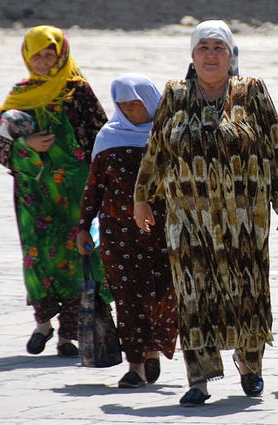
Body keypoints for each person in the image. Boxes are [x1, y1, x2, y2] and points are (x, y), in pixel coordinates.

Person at [132, 20, 278, 406]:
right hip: (187, 217)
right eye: (203, 48)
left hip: (245, 216)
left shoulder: (252, 91)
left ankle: (250, 363)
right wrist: (141, 197)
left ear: (231, 55)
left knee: (247, 291)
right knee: (193, 294)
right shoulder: (174, 94)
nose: (211, 55)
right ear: (192, 57)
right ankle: (199, 379)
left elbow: (276, 145)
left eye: (219, 48)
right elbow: (157, 148)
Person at [0, 25, 107, 357]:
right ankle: (42, 323)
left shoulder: (77, 91)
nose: (42, 61)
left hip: (75, 192)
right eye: (35, 55)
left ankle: (69, 335)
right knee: (38, 257)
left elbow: (101, 133)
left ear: (61, 53)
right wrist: (26, 143)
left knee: (77, 254)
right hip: (35, 194)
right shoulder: (20, 94)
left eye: (49, 54)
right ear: (26, 57)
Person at [76, 74, 178, 388]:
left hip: (161, 232)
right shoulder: (108, 136)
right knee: (127, 297)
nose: (131, 111)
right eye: (124, 105)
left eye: (136, 104)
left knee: (162, 294)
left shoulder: (170, 135)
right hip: (117, 234)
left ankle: (152, 351)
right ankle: (135, 365)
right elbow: (93, 187)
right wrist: (83, 227)